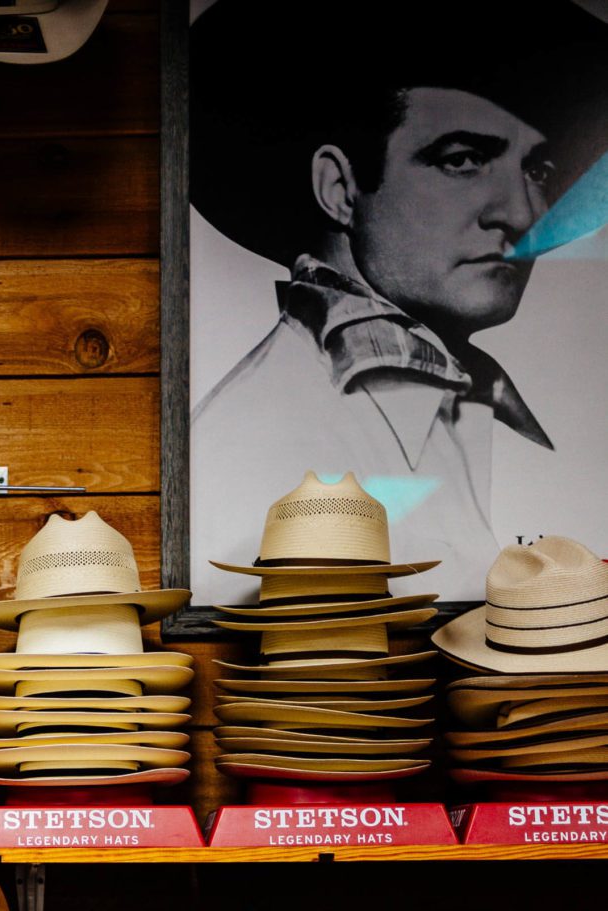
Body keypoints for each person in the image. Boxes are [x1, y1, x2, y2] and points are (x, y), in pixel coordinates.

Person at [188, 3, 608, 599]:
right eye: (461, 161)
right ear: (339, 189)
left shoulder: (460, 403)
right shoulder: (264, 432)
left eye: (536, 173)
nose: (519, 215)